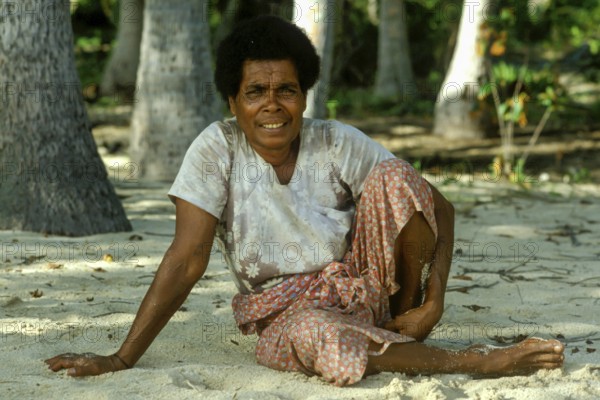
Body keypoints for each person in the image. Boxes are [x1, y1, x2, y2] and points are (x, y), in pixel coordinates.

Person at [45, 15, 564, 386]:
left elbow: (438, 207)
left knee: (396, 175)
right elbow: (186, 260)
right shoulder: (215, 148)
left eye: (286, 90)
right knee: (323, 335)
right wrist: (121, 359)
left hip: (370, 291)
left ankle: (400, 330)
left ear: (304, 94)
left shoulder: (334, 139)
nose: (273, 105)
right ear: (233, 101)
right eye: (256, 92)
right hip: (288, 315)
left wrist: (433, 301)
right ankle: (473, 361)